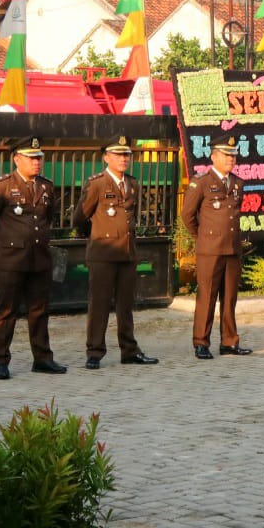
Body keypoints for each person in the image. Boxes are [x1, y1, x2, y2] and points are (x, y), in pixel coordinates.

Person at [0, 139, 64, 380]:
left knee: (39, 310)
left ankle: (42, 358)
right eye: (31, 158)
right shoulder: (2, 186)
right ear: (17, 159)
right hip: (11, 258)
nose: (37, 162)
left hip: (38, 258)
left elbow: (48, 217)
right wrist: (6, 241)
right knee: (6, 311)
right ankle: (1, 359)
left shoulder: (46, 187)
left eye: (39, 157)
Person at [79, 136, 158, 370]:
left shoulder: (132, 184)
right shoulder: (97, 183)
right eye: (118, 154)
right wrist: (97, 236)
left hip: (127, 252)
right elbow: (80, 217)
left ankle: (129, 350)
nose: (124, 159)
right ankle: (94, 352)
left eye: (127, 155)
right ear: (106, 157)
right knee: (99, 305)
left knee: (126, 305)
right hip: (103, 253)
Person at [182, 136, 249, 360]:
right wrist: (201, 238)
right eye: (226, 155)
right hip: (210, 250)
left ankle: (230, 342)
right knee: (207, 297)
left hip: (231, 249)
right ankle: (201, 342)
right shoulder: (201, 182)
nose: (231, 159)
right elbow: (187, 215)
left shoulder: (238, 183)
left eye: (234, 155)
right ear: (214, 156)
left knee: (229, 299)